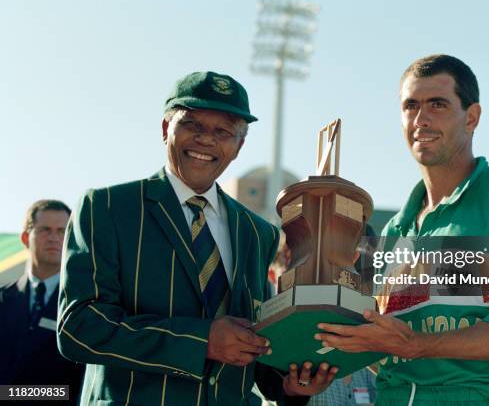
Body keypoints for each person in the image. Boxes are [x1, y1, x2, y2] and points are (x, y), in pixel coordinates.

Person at [57, 71, 336, 405]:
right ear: (165, 130)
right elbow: (79, 327)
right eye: (192, 125)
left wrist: (289, 386)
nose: (206, 140)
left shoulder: (257, 232)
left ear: (238, 146)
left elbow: (256, 340)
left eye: (223, 131)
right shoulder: (107, 208)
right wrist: (201, 341)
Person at [316, 54, 489, 405]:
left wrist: (418, 346)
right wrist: (327, 357)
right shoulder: (393, 229)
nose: (421, 119)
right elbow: (387, 347)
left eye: (438, 105)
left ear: (472, 117)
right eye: (410, 106)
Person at [0, 200, 84, 404]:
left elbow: (78, 386)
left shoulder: (83, 305)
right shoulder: (2, 298)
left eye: (62, 231)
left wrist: (11, 393)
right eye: (45, 230)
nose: (54, 238)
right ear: (26, 238)